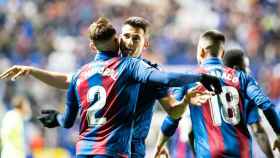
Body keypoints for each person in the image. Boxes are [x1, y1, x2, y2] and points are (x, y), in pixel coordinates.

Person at [0, 17, 220, 157]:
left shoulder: (148, 71)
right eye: (126, 36)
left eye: (136, 38)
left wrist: (185, 101)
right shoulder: (110, 67)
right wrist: (33, 71)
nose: (130, 42)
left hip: (132, 148)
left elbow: (173, 110)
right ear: (118, 39)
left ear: (146, 43)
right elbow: (68, 80)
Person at [155, 30, 280, 158]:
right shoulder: (242, 78)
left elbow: (173, 115)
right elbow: (266, 105)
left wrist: (160, 145)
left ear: (202, 51)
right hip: (241, 152)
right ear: (222, 53)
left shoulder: (189, 79)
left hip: (209, 153)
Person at [224, 49, 274, 157]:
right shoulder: (245, 92)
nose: (249, 71)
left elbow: (192, 132)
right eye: (246, 67)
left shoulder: (207, 89)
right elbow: (258, 131)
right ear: (236, 69)